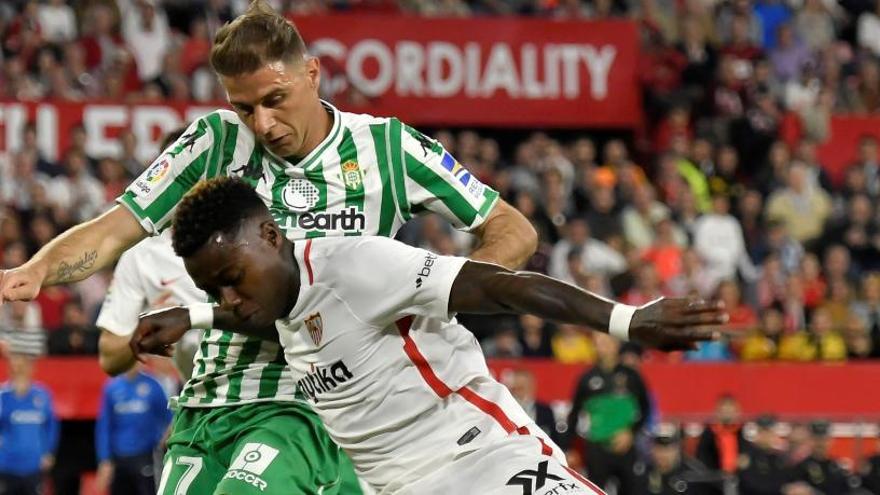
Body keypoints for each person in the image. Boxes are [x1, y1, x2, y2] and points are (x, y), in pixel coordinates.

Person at [0, 1, 538, 493]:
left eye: (275, 100)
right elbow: (114, 228)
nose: (262, 123)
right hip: (210, 403)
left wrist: (438, 289)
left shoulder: (388, 149)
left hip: (313, 401)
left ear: (312, 73)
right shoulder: (214, 141)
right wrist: (36, 269)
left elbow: (513, 230)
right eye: (245, 107)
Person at [131, 177, 726, 494]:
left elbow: (502, 286)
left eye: (231, 280)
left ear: (270, 234)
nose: (230, 297)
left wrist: (626, 320)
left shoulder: (358, 267)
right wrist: (195, 316)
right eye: (215, 291)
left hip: (485, 459)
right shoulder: (274, 300)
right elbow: (255, 312)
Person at [564, 332, 652, 494]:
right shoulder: (586, 378)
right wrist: (568, 448)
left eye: (607, 341)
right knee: (595, 490)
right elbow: (574, 415)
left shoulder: (632, 376)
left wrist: (630, 433)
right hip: (597, 447)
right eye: (599, 342)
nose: (603, 346)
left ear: (616, 344)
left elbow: (646, 408)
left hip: (626, 447)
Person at [94, 363, 173, 495]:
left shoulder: (153, 385)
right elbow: (104, 427)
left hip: (146, 456)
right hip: (119, 458)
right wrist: (104, 460)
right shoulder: (111, 387)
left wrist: (163, 442)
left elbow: (169, 418)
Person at [0, 351, 59, 495]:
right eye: (16, 366)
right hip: (7, 465)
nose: (20, 370)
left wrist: (49, 452)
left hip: (34, 466)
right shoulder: (2, 395)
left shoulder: (43, 394)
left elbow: (51, 426)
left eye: (24, 366)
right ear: (10, 369)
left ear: (31, 369)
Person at [789, 420, 853, 495]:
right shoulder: (801, 467)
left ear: (831, 441)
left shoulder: (838, 467)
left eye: (824, 440)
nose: (820, 444)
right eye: (817, 440)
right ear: (810, 440)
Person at [695, 395, 746, 477]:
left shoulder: (745, 433)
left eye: (730, 409)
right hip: (715, 480)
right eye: (724, 409)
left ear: (737, 411)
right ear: (717, 411)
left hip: (742, 480)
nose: (727, 412)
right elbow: (702, 457)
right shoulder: (709, 433)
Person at [507, 368, 561, 446]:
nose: (517, 394)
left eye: (521, 388)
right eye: (514, 390)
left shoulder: (545, 411)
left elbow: (554, 440)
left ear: (531, 387)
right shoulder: (507, 412)